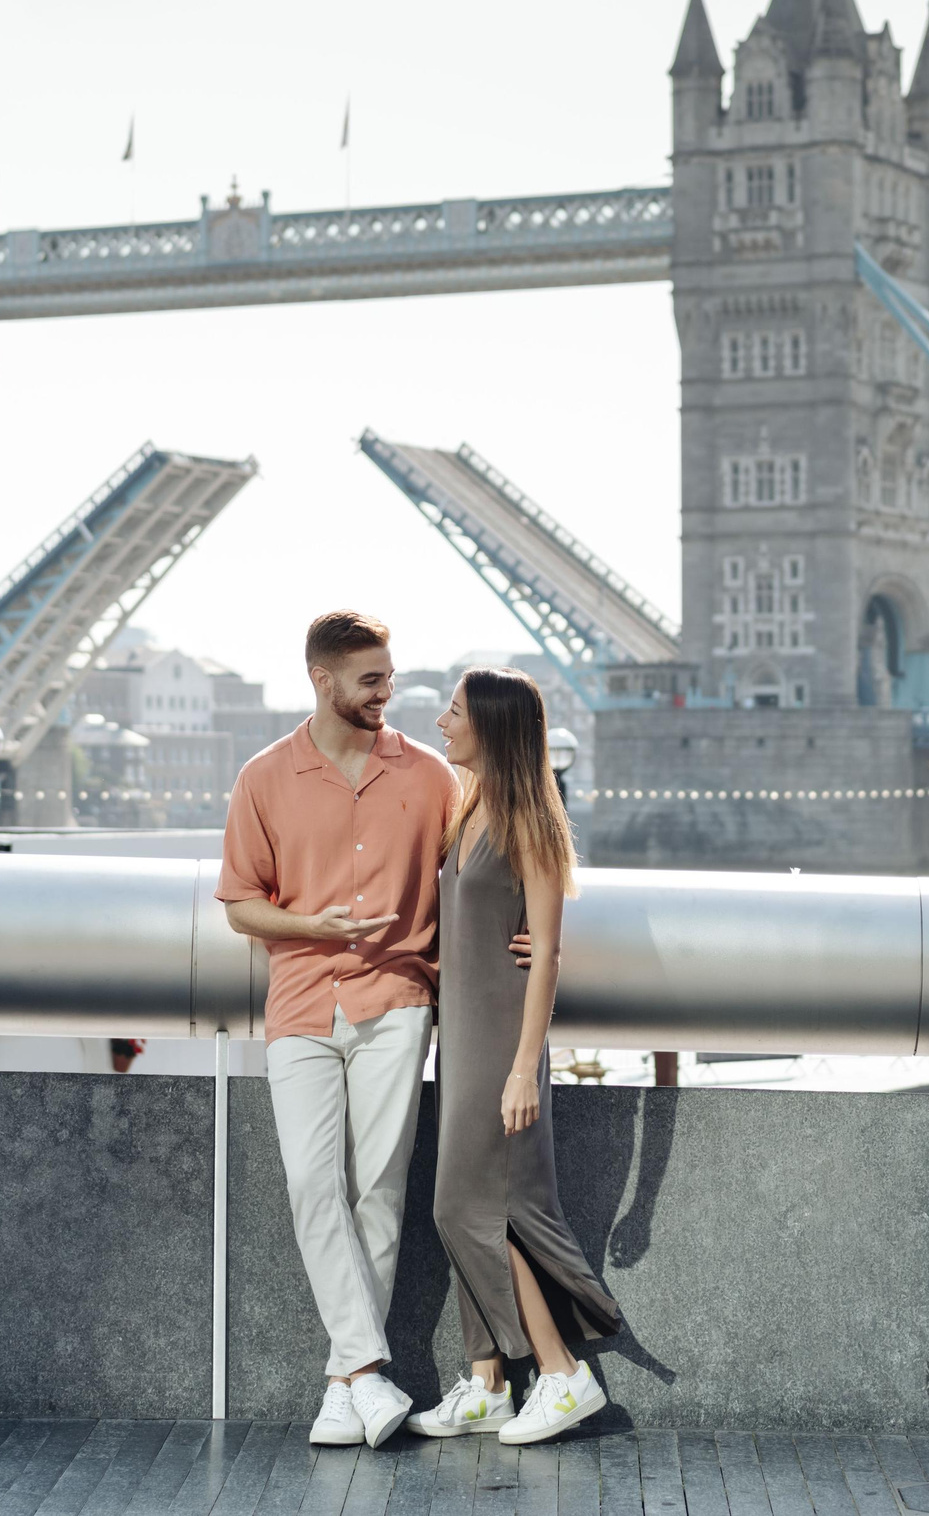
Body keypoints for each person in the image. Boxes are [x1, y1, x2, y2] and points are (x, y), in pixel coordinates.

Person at [217, 611, 459, 1450]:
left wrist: (530, 925)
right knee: (311, 1181)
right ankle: (362, 1370)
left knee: (380, 1190)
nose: (387, 693)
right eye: (371, 680)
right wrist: (309, 926)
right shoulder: (263, 776)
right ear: (322, 680)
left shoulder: (430, 777)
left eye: (389, 676)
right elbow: (240, 902)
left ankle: (341, 1384)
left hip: (397, 998)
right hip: (300, 1003)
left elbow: (486, 862)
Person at [408, 666, 622, 1446]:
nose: (441, 722)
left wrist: (523, 1066)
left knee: (470, 1208)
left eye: (454, 712)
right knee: (473, 1206)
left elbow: (550, 953)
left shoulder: (527, 820)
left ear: (491, 726)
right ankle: (489, 1383)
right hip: (462, 1035)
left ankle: (562, 1372)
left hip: (502, 1040)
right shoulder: (467, 811)